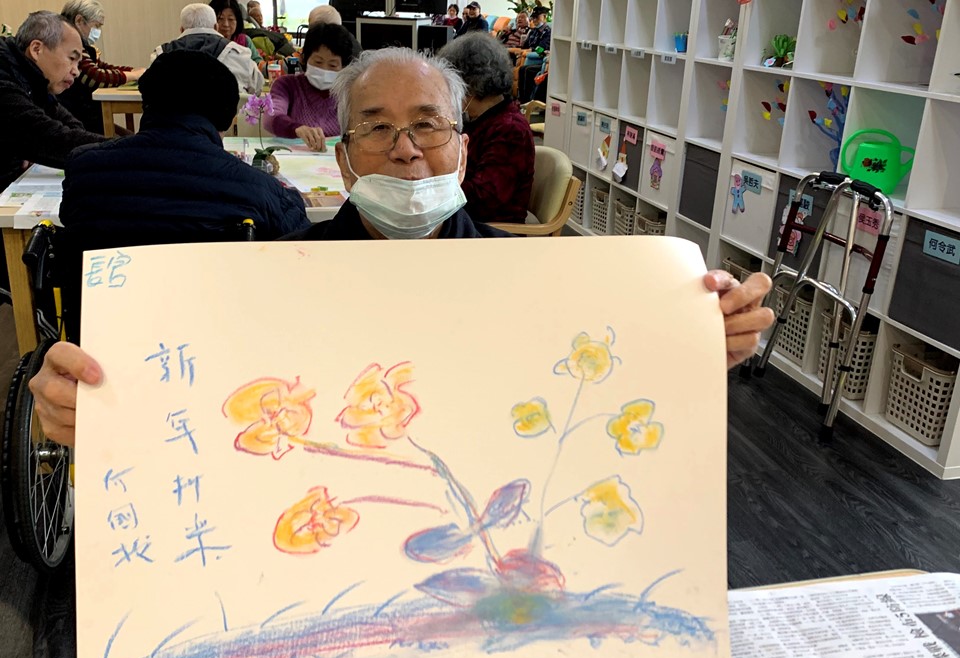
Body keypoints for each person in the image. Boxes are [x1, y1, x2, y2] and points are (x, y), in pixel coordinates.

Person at [28, 46, 775, 446]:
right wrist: (96, 407)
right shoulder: (273, 279)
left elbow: (589, 394)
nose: (406, 149)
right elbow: (201, 401)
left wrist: (684, 346)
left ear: (463, 147)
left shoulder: (532, 282)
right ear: (344, 159)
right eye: (377, 127)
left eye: (428, 124)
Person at [55, 49, 310, 343]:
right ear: (225, 117)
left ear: (146, 102)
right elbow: (304, 259)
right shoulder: (260, 189)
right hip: (222, 345)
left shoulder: (84, 170)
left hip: (102, 344)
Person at [0, 10, 102, 192]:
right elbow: (51, 137)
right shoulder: (4, 78)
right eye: (72, 58)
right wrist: (132, 149)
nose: (76, 71)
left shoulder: (33, 78)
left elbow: (70, 126)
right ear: (36, 49)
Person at [438, 33, 533, 224]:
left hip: (490, 229)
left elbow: (485, 199)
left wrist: (433, 187)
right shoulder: (480, 119)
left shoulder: (510, 129)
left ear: (470, 84)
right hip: (467, 217)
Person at [265, 23, 359, 151]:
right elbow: (271, 116)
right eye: (318, 62)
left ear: (343, 67)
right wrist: (296, 129)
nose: (324, 69)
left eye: (332, 65)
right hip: (294, 156)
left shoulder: (350, 91)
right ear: (304, 59)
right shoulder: (286, 85)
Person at [57, 0, 146, 134]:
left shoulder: (82, 46)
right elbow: (96, 77)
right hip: (76, 120)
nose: (98, 31)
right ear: (79, 20)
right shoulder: (68, 44)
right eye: (96, 26)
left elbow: (102, 67)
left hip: (85, 117)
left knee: (130, 136)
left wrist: (131, 70)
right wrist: (133, 75)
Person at [152, 3, 263, 94]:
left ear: (182, 30)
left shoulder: (160, 54)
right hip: (225, 114)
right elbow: (257, 88)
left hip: (172, 114)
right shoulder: (240, 54)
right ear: (216, 27)